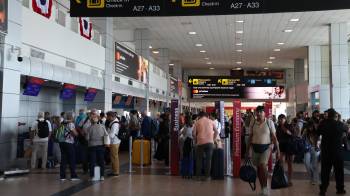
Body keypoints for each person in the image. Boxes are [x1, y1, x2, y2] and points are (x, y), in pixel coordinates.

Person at [247, 106, 280, 196]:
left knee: (263, 165)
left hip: (266, 147)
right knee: (258, 168)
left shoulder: (269, 122)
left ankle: (265, 187)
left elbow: (274, 137)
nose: (259, 113)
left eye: (261, 112)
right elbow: (250, 137)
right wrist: (247, 151)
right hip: (255, 148)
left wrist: (278, 151)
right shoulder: (253, 123)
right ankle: (262, 188)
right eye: (257, 112)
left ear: (264, 113)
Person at [317, 108, 347, 196]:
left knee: (325, 172)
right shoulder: (340, 124)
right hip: (337, 152)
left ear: (328, 116)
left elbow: (318, 133)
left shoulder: (323, 124)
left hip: (326, 152)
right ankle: (340, 189)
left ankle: (323, 190)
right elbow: (346, 131)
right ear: (335, 116)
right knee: (339, 171)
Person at [192, 111, 219, 181]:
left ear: (200, 116)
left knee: (199, 159)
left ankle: (198, 176)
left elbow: (194, 134)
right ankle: (207, 177)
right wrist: (213, 139)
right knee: (208, 160)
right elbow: (216, 132)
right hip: (210, 142)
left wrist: (195, 141)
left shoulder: (197, 122)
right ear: (206, 116)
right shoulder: (211, 121)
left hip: (200, 142)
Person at [86, 112, 107, 181]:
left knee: (92, 161)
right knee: (101, 161)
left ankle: (92, 176)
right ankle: (102, 176)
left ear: (91, 121)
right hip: (101, 146)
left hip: (92, 146)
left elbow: (87, 138)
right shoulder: (102, 127)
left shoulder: (89, 128)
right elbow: (106, 135)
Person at [60, 112, 79, 181]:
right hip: (69, 143)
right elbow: (75, 134)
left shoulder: (62, 123)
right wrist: (77, 133)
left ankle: (62, 176)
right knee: (72, 159)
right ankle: (73, 176)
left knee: (63, 159)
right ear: (71, 117)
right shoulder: (70, 124)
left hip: (61, 142)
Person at [276, 114, 294, 186]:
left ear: (285, 119)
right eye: (279, 119)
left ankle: (289, 180)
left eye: (282, 119)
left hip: (289, 146)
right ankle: (282, 178)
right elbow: (277, 136)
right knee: (281, 162)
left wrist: (284, 128)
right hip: (281, 145)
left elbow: (291, 134)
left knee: (289, 163)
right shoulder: (278, 127)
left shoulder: (289, 125)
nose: (280, 120)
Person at [303, 121, 320, 185]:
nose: (310, 128)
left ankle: (314, 179)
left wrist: (318, 144)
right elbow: (302, 138)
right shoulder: (306, 131)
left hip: (315, 149)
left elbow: (319, 140)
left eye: (311, 127)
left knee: (314, 165)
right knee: (306, 163)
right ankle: (312, 176)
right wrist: (304, 133)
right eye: (309, 127)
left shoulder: (317, 132)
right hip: (307, 149)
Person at [106, 111, 120, 176]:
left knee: (114, 157)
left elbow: (112, 134)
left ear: (111, 116)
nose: (107, 118)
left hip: (114, 142)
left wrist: (106, 137)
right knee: (113, 157)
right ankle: (114, 170)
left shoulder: (115, 124)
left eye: (108, 116)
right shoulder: (114, 122)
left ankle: (116, 171)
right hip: (114, 141)